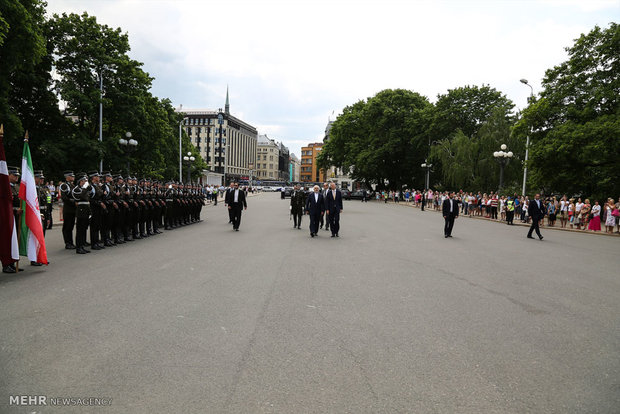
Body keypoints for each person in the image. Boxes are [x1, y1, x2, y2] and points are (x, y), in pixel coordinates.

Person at [72, 173, 92, 254]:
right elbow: (80, 197)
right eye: (84, 180)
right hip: (81, 210)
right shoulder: (76, 189)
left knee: (84, 229)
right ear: (81, 181)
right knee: (80, 229)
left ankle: (82, 245)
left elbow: (88, 197)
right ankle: (78, 247)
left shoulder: (84, 188)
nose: (85, 182)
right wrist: (85, 189)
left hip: (86, 209)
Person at [59, 171, 76, 249]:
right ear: (67, 177)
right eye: (71, 176)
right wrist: (73, 202)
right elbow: (64, 198)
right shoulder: (64, 186)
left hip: (73, 209)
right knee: (67, 227)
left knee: (71, 226)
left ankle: (71, 242)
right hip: (68, 209)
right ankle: (68, 243)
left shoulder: (72, 185)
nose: (73, 177)